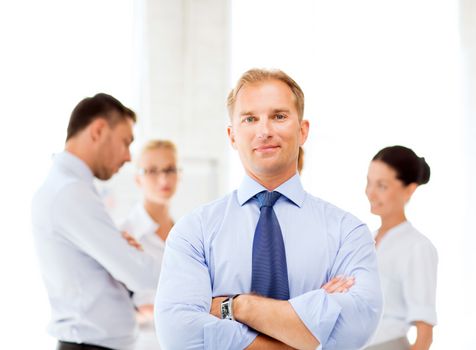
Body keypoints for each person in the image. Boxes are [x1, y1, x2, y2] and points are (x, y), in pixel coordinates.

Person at [154, 68, 383, 349]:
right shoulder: (195, 231)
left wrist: (237, 306)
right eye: (250, 119)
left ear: (303, 130)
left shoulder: (348, 232)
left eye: (279, 116)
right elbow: (179, 336)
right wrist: (310, 322)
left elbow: (356, 326)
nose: (265, 131)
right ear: (232, 135)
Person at [31, 93, 161, 350]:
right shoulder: (69, 192)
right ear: (98, 130)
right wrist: (195, 275)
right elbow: (137, 273)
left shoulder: (70, 188)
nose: (127, 157)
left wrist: (122, 253)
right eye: (125, 142)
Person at [364, 146, 438, 350]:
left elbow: (424, 337)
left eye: (382, 186)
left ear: (409, 189)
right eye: (368, 182)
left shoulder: (418, 247)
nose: (370, 192)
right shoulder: (367, 241)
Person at [120, 139, 180, 349]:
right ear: (138, 178)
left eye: (170, 169)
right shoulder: (125, 234)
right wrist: (145, 313)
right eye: (152, 171)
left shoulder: (186, 233)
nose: (163, 178)